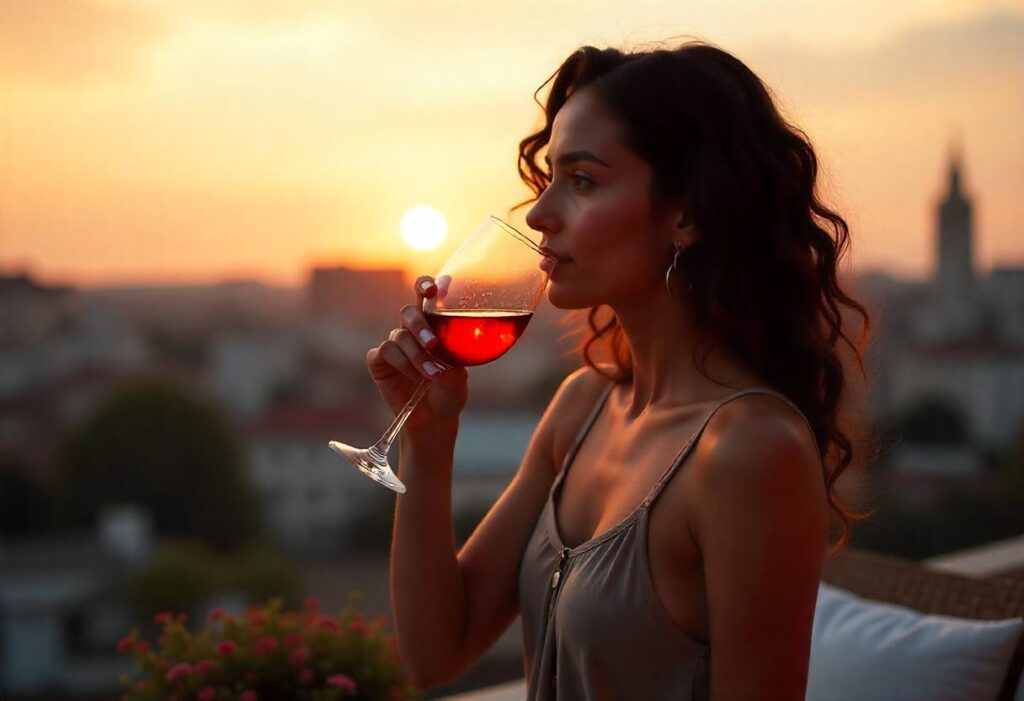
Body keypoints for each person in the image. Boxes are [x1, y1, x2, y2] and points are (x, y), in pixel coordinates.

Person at [372, 40, 870, 700]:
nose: (541, 214)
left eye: (581, 181)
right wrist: (427, 444)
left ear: (686, 212)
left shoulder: (749, 450)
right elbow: (433, 653)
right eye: (549, 177)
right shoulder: (583, 406)